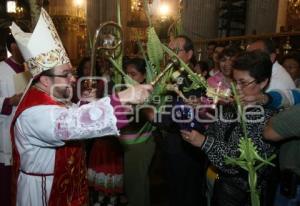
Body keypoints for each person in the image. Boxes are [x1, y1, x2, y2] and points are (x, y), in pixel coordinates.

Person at [10, 8, 152, 206]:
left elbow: (70, 114)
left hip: (68, 184)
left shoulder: (53, 97)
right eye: (66, 74)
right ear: (44, 80)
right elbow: (69, 124)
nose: (73, 78)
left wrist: (84, 103)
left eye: (72, 72)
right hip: (44, 191)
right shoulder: (33, 112)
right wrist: (122, 97)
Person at [181, 51, 278, 206]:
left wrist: (204, 142)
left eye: (243, 82)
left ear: (263, 82)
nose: (237, 88)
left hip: (242, 195)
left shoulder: (268, 118)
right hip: (217, 183)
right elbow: (215, 131)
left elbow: (242, 163)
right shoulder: (232, 107)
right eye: (234, 81)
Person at [159, 35, 207, 206]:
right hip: (173, 143)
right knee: (174, 188)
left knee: (185, 191)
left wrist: (158, 118)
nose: (171, 54)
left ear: (189, 54)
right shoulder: (172, 74)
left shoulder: (191, 80)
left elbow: (185, 112)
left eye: (176, 50)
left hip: (185, 144)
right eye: (169, 50)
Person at [118, 57, 155, 206]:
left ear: (144, 75)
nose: (129, 78)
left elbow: (142, 118)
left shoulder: (146, 95)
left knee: (136, 186)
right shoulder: (129, 93)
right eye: (126, 74)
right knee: (136, 184)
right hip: (130, 145)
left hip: (140, 144)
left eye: (133, 74)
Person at [0, 33, 24, 206]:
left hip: (24, 133)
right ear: (13, 46)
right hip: (5, 130)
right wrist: (9, 101)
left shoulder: (27, 69)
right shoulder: (1, 69)